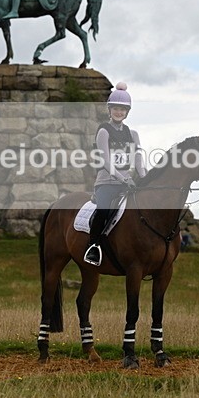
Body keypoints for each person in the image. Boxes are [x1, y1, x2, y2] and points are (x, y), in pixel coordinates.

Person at [84, 82, 146, 266]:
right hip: (106, 182)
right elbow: (105, 161)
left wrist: (145, 178)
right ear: (110, 109)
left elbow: (138, 159)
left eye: (123, 110)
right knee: (103, 210)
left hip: (127, 183)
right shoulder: (103, 131)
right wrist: (123, 178)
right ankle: (93, 246)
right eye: (116, 109)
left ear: (127, 112)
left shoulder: (132, 134)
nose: (119, 112)